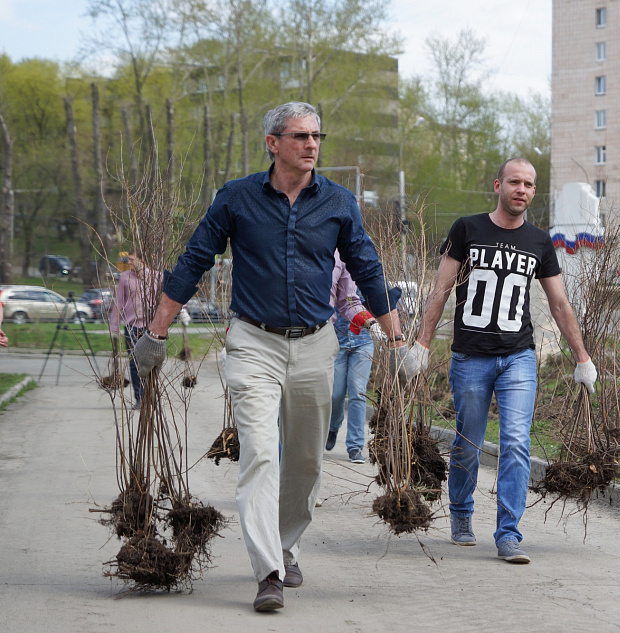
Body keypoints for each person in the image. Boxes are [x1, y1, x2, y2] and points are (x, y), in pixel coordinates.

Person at [130, 102, 420, 612]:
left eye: (316, 136)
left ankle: (286, 546)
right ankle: (268, 571)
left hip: (315, 343)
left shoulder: (338, 202)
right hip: (253, 342)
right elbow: (195, 259)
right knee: (261, 453)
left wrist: (396, 340)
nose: (311, 145)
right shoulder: (237, 198)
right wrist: (156, 333)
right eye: (300, 136)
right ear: (273, 143)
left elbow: (367, 267)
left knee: (306, 462)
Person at [404, 158, 597, 564]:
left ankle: (508, 533)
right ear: (498, 185)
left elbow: (559, 303)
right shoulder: (467, 229)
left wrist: (582, 356)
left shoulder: (540, 241)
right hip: (470, 357)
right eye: (514, 182)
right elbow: (440, 290)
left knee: (515, 442)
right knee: (469, 443)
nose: (521, 190)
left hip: (518, 358)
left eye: (529, 184)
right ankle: (461, 514)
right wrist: (421, 344)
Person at [326, 251, 381, 465]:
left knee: (358, 393)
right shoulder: (336, 261)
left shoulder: (370, 272)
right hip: (337, 338)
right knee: (336, 394)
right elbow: (345, 302)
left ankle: (355, 446)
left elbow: (381, 300)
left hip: (363, 341)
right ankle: (333, 426)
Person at [108, 249, 161, 410]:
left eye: (131, 260)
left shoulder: (156, 277)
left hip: (150, 326)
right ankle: (140, 397)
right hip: (131, 327)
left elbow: (168, 295)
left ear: (141, 260)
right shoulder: (125, 278)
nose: (128, 263)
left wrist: (182, 311)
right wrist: (115, 326)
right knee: (134, 364)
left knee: (151, 362)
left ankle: (151, 395)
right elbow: (119, 302)